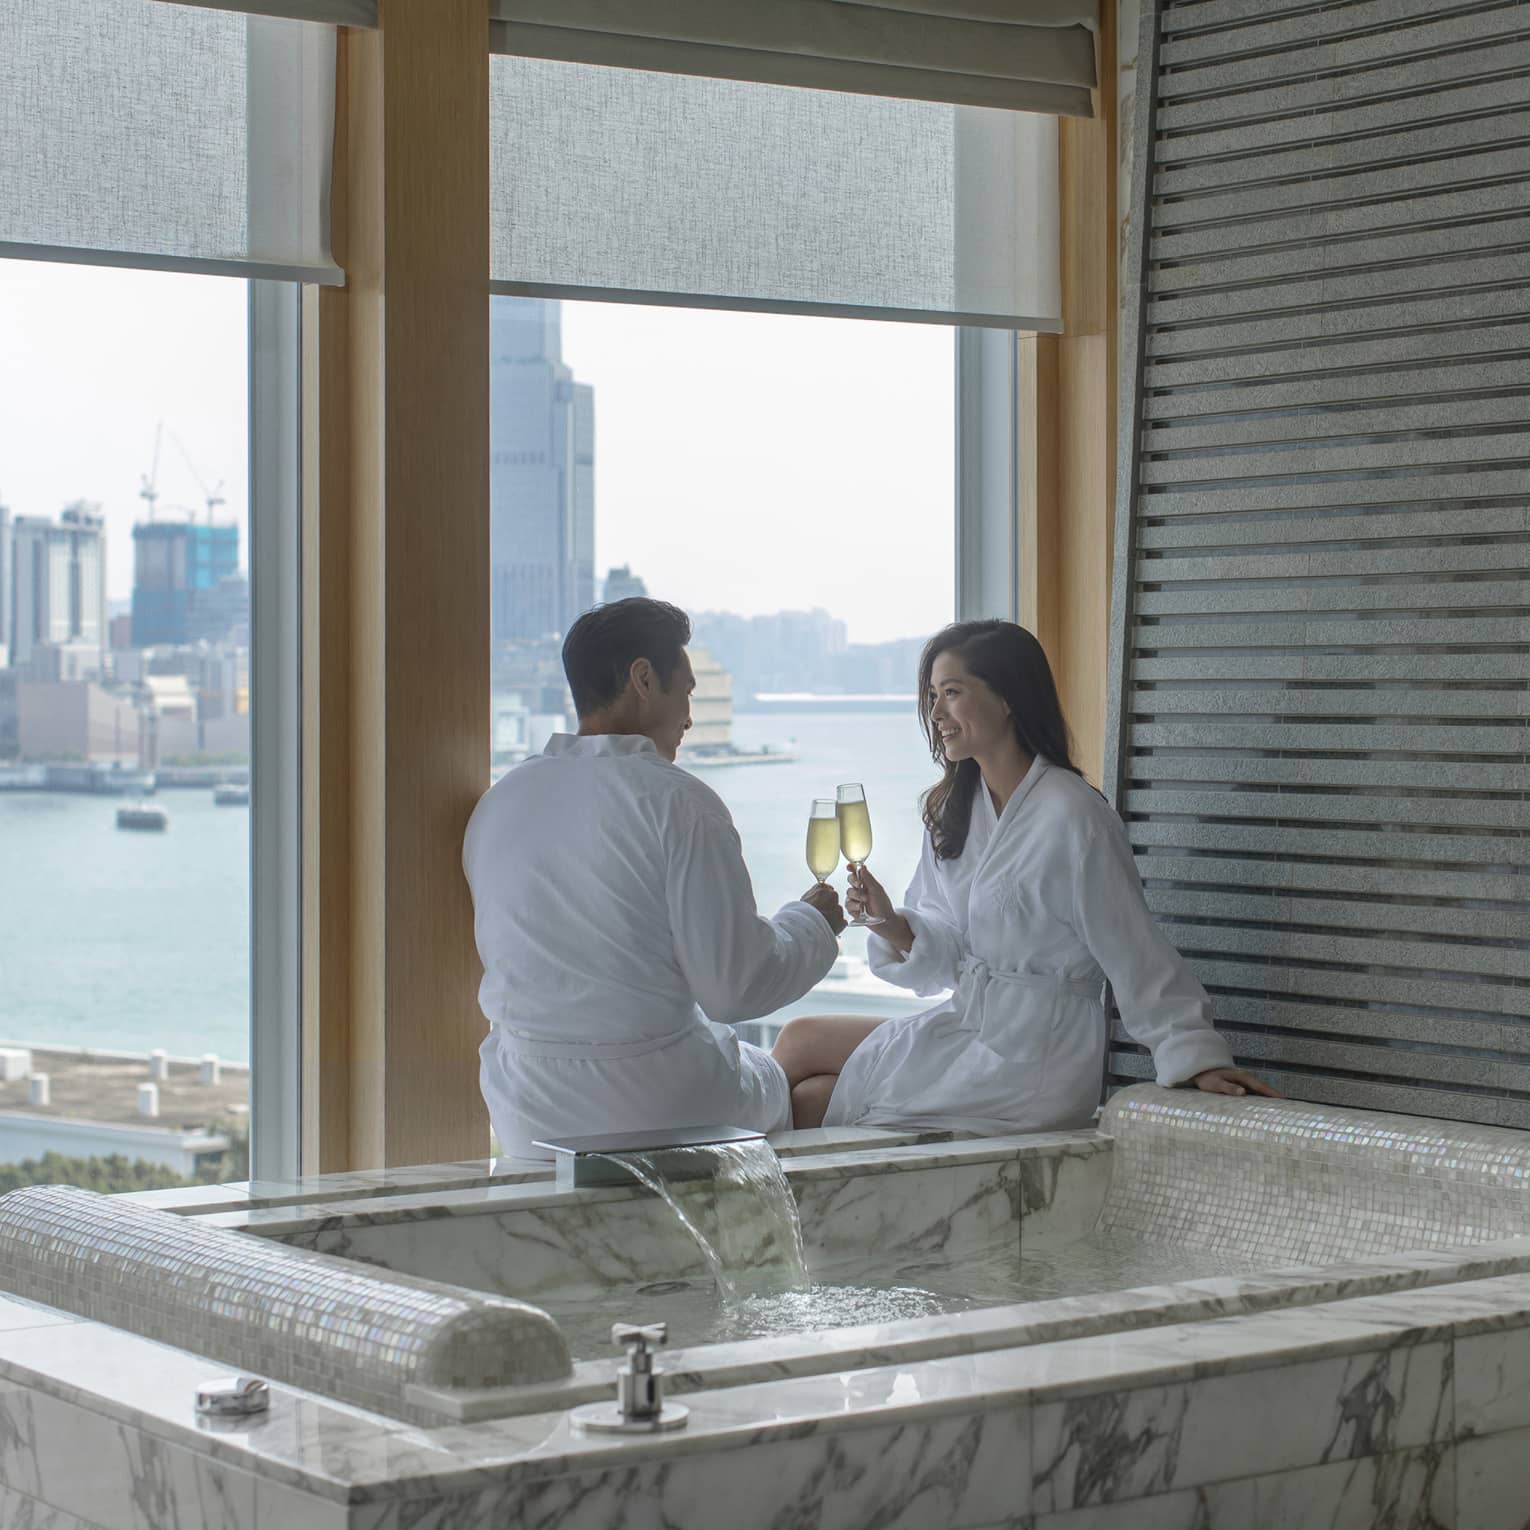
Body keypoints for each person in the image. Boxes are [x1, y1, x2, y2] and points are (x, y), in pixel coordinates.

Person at [771, 620, 1275, 1133]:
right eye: (932, 696)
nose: (936, 712)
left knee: (807, 1078)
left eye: (952, 693)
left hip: (1037, 1055)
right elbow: (946, 958)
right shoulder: (954, 810)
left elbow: (1134, 950)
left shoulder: (1073, 816)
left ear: (1007, 698)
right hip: (971, 1026)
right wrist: (887, 922)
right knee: (803, 1063)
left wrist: (1196, 1055)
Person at [464, 597, 846, 1158]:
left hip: (528, 1109)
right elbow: (735, 988)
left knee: (777, 1069)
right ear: (644, 679)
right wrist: (812, 924)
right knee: (814, 1090)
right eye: (687, 692)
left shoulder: (499, 804)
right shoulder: (679, 802)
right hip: (657, 1107)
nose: (690, 717)